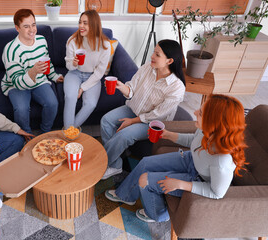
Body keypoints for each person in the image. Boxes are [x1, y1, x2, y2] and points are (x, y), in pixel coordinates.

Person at [105, 94, 248, 223]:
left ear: (215, 124)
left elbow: (217, 193)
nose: (195, 113)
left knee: (145, 180)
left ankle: (158, 215)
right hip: (190, 159)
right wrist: (169, 135)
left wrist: (181, 184)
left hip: (197, 179)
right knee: (145, 162)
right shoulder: (206, 131)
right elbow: (194, 140)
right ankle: (126, 195)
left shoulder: (221, 161)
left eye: (201, 113)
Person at [100, 39, 186, 179]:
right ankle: (115, 164)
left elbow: (157, 114)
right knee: (106, 120)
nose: (152, 56)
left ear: (169, 61)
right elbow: (132, 90)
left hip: (152, 123)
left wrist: (132, 121)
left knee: (124, 135)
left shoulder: (176, 88)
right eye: (153, 52)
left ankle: (102, 162)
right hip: (134, 109)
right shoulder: (147, 67)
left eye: (157, 55)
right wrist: (123, 87)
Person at [2, 9, 63, 134]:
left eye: (33, 25)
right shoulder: (11, 50)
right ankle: (27, 136)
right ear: (17, 28)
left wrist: (54, 76)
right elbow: (18, 83)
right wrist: (33, 72)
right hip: (16, 85)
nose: (31, 30)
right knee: (21, 109)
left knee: (52, 104)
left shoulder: (41, 40)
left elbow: (47, 62)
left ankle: (44, 132)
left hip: (39, 81)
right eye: (26, 26)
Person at [63, 10, 111, 128]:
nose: (81, 26)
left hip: (92, 75)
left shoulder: (105, 45)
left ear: (94, 25)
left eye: (85, 23)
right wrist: (73, 63)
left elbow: (99, 73)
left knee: (90, 104)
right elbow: (68, 66)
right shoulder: (72, 41)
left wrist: (82, 88)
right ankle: (70, 133)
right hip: (74, 73)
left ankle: (69, 130)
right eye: (80, 22)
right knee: (70, 97)